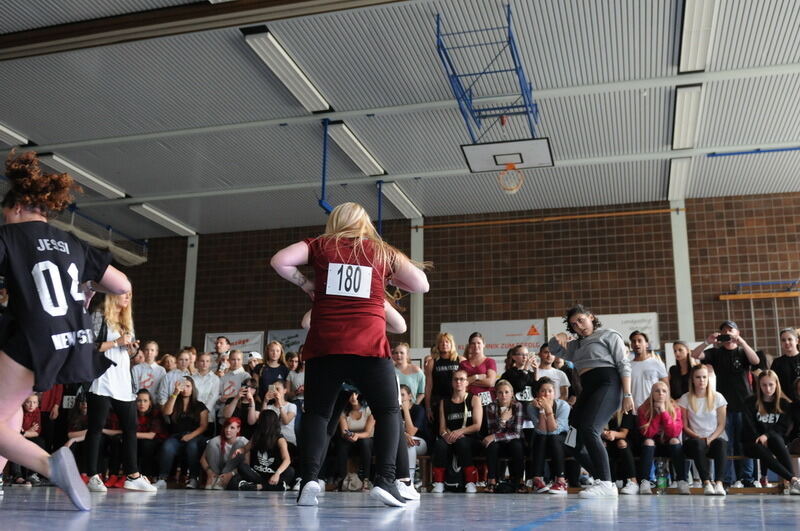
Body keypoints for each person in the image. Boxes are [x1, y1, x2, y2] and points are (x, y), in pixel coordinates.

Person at [0, 151, 136, 510]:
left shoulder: (9, 236)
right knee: (8, 412)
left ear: (14, 209)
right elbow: (122, 285)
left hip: (34, 337)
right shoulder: (74, 242)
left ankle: (49, 465)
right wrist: (89, 287)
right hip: (75, 341)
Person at [271, 201, 429, 507]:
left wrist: (306, 285)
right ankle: (385, 480)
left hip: (325, 346)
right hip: (368, 345)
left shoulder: (320, 245)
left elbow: (280, 261)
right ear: (365, 223)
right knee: (387, 412)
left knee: (318, 414)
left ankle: (308, 482)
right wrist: (387, 277)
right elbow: (421, 284)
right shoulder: (380, 250)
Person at [548, 305, 633, 498]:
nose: (579, 325)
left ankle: (606, 483)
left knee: (590, 428)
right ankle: (603, 479)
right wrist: (559, 336)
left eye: (581, 320)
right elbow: (552, 349)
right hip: (588, 390)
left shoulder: (609, 335)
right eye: (574, 324)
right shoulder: (576, 346)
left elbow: (623, 364)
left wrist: (627, 395)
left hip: (608, 384)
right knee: (571, 442)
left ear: (591, 317)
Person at [84, 291, 156, 493]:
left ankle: (133, 475)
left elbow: (129, 352)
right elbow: (91, 346)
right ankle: (92, 474)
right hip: (102, 376)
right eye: (124, 293)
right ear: (113, 295)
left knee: (130, 427)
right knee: (96, 427)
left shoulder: (126, 321)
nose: (128, 297)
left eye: (130, 294)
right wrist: (117, 342)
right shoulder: (99, 315)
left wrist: (132, 349)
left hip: (122, 379)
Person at [692, 321, 760, 488]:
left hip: (745, 405)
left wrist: (741, 341)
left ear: (737, 332)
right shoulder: (715, 353)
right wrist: (707, 341)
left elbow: (756, 360)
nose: (727, 333)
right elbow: (694, 355)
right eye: (724, 331)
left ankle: (747, 479)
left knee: (744, 443)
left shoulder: (743, 351)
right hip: (724, 407)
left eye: (731, 330)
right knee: (727, 444)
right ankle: (727, 479)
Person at [742, 370, 800, 493]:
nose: (767, 388)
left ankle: (792, 482)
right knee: (762, 448)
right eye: (764, 385)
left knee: (776, 439)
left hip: (774, 441)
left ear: (776, 384)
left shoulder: (784, 404)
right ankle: (793, 480)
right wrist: (761, 437)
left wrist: (767, 436)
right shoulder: (750, 402)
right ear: (759, 386)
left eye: (771, 385)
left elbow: (783, 427)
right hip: (753, 443)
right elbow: (748, 426)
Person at [678, 364, 727, 496]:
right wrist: (699, 438)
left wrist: (710, 439)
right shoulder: (685, 399)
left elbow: (721, 424)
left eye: (704, 377)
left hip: (713, 438)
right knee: (698, 444)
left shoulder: (718, 397)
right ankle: (706, 483)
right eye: (698, 377)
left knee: (721, 444)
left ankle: (719, 484)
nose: (702, 380)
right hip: (694, 440)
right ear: (692, 379)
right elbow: (684, 426)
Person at [430, 370, 483, 493]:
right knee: (440, 444)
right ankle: (439, 482)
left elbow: (477, 426)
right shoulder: (444, 402)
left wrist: (459, 432)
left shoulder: (474, 399)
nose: (458, 382)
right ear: (452, 382)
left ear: (467, 382)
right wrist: (446, 435)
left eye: (462, 379)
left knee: (462, 443)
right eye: (455, 379)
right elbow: (442, 428)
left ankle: (470, 482)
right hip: (451, 438)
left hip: (470, 440)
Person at [155, 376, 209, 489]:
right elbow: (166, 411)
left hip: (195, 436)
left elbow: (204, 426)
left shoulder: (199, 405)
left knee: (192, 446)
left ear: (192, 388)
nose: (185, 389)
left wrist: (190, 436)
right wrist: (175, 392)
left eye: (188, 386)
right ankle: (162, 478)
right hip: (177, 436)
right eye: (183, 386)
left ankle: (194, 478)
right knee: (167, 446)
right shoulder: (174, 402)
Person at [637, 381, 689, 494]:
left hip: (669, 445)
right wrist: (657, 415)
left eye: (664, 391)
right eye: (657, 391)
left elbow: (673, 433)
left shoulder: (675, 408)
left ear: (668, 394)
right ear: (652, 394)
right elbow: (647, 433)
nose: (660, 393)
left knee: (675, 440)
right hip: (651, 447)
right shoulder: (643, 409)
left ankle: (682, 481)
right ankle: (644, 482)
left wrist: (664, 412)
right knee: (648, 441)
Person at [527, 377, 571, 495]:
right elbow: (542, 432)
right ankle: (537, 480)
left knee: (553, 437)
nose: (547, 394)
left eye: (550, 391)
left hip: (566, 440)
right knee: (540, 437)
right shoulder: (531, 407)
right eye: (543, 391)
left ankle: (561, 481)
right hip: (545, 440)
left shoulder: (563, 405)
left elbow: (554, 431)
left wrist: (548, 409)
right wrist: (541, 410)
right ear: (537, 393)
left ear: (554, 393)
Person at [233, 410, 295, 491]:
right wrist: (239, 450)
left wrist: (277, 474)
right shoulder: (256, 435)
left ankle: (258, 486)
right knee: (242, 467)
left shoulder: (280, 439)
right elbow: (245, 449)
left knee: (290, 471)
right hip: (258, 474)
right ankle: (274, 486)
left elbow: (287, 460)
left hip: (274, 474)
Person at [483, 379, 525, 493]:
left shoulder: (518, 406)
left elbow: (516, 433)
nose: (504, 395)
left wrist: (495, 437)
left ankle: (520, 481)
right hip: (499, 444)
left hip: (513, 441)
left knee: (517, 445)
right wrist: (502, 420)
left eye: (507, 392)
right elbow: (493, 430)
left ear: (512, 393)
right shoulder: (491, 407)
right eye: (500, 392)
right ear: (496, 394)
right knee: (492, 445)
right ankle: (491, 480)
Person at [334, 391, 374, 491]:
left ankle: (366, 479)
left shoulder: (369, 410)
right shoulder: (343, 412)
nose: (353, 397)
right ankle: (342, 479)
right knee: (341, 443)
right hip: (350, 440)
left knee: (365, 442)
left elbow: (368, 432)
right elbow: (344, 431)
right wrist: (349, 435)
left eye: (355, 394)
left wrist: (357, 435)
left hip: (366, 441)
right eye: (350, 395)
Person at [423, 332, 463, 424]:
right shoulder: (432, 363)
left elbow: (466, 382)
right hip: (438, 401)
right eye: (441, 342)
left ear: (451, 344)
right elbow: (428, 386)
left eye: (447, 342)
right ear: (438, 345)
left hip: (457, 401)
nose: (444, 344)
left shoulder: (460, 360)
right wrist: (428, 407)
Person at [200, 416, 248, 490]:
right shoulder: (217, 440)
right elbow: (203, 459)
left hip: (232, 471)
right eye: (226, 427)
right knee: (212, 442)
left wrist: (231, 474)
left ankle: (222, 481)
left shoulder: (243, 441)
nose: (228, 430)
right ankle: (214, 479)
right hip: (216, 469)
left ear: (238, 429)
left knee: (239, 444)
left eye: (232, 428)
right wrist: (209, 471)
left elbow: (246, 464)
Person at [629, 331, 668, 408]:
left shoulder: (657, 363)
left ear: (646, 344)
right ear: (631, 345)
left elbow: (666, 386)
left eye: (639, 341)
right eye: (634, 341)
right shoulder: (628, 366)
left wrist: (665, 406)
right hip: (633, 410)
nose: (636, 343)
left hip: (653, 408)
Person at [604, 408, 638, 495]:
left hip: (624, 439)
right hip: (607, 439)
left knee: (622, 443)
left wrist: (612, 434)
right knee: (601, 445)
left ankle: (632, 481)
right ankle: (606, 481)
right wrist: (604, 434)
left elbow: (623, 433)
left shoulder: (626, 409)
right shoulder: (602, 407)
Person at [134, 389, 167, 480]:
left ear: (150, 403)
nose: (142, 404)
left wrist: (131, 435)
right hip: (138, 439)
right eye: (139, 401)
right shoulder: (133, 413)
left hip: (156, 440)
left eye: (145, 401)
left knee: (147, 444)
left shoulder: (155, 413)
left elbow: (151, 435)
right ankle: (133, 475)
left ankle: (147, 475)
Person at [399, 384, 427, 484]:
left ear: (410, 396)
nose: (400, 398)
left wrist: (406, 410)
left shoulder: (418, 409)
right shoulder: (395, 410)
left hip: (421, 443)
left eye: (402, 395)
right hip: (401, 441)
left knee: (409, 442)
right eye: (398, 395)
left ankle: (409, 479)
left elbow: (411, 432)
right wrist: (404, 435)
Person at [460, 332, 497, 404]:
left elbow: (490, 382)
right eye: (473, 343)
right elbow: (460, 383)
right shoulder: (463, 364)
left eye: (478, 343)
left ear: (484, 345)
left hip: (486, 400)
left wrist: (468, 381)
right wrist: (476, 377)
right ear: (469, 345)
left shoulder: (490, 361)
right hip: (468, 399)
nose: (476, 345)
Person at [192, 352, 221, 432]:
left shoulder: (215, 379)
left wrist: (203, 412)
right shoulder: (192, 378)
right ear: (197, 363)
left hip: (208, 416)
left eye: (207, 361)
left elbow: (213, 397)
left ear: (210, 363)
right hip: (193, 414)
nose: (204, 363)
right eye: (202, 361)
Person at [770, 328, 800, 401]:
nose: (786, 342)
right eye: (783, 340)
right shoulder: (777, 362)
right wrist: (787, 401)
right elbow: (775, 385)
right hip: (785, 403)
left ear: (797, 341)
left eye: (790, 339)